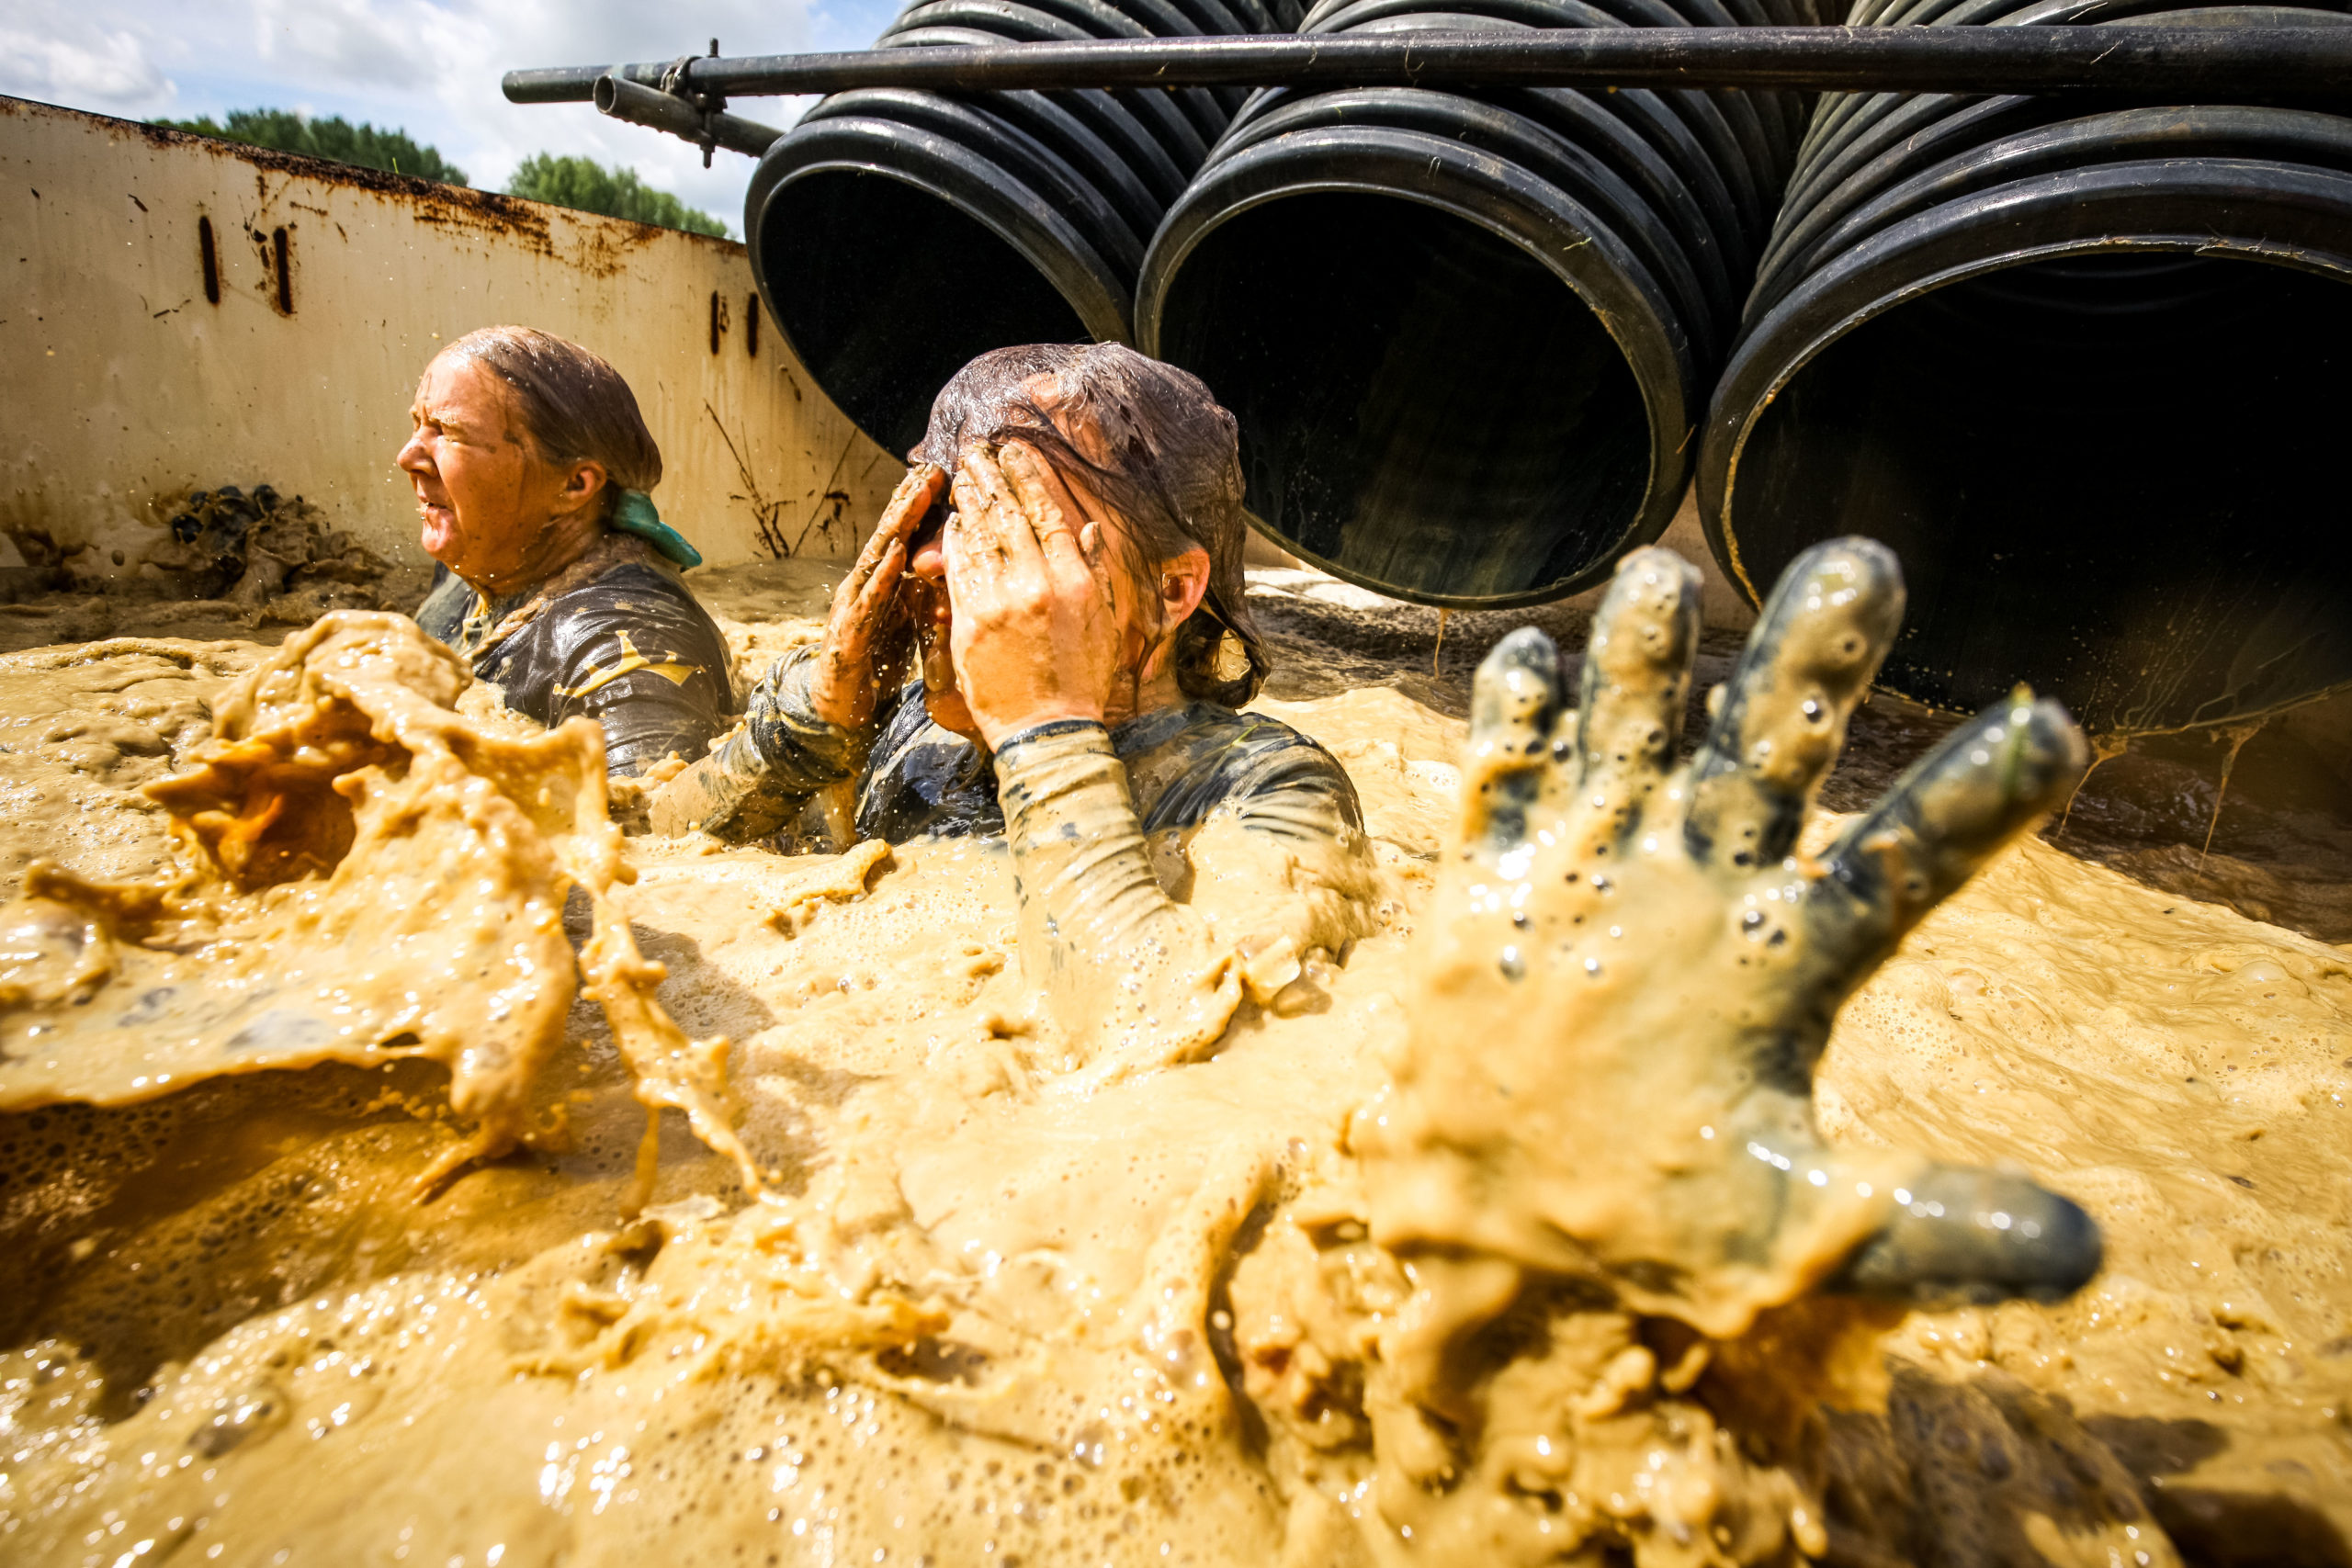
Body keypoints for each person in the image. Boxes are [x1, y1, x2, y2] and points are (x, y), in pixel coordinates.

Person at [651, 344, 1375, 1067]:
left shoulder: (1269, 785)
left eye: (1015, 528)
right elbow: (654, 849)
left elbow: (1175, 1036)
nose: (934, 558)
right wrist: (814, 716)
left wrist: (1044, 723)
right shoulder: (909, 734)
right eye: (940, 514)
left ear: (1172, 589)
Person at [400, 325, 733, 774]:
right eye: (418, 425)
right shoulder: (476, 566)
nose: (409, 456)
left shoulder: (622, 649)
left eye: (447, 432)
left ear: (574, 485)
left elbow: (657, 828)